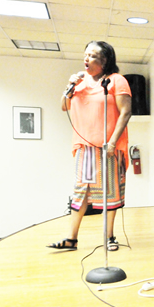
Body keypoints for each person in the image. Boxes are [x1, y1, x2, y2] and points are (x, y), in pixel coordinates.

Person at [47, 41, 132, 251]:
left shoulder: (116, 80)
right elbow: (63, 106)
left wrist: (112, 142)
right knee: (81, 191)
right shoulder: (79, 81)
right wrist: (70, 86)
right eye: (85, 54)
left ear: (105, 61)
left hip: (108, 146)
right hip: (85, 147)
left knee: (110, 192)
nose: (86, 58)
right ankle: (71, 239)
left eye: (93, 55)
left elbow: (126, 112)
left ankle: (110, 237)